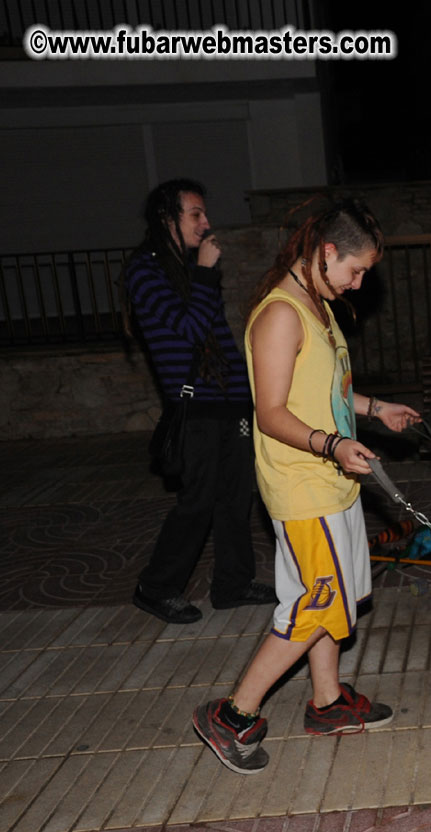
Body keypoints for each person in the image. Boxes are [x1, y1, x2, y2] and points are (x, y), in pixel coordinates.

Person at [192, 200, 421, 773]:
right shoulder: (280, 316)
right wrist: (333, 446)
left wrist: (375, 409)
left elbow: (326, 394)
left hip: (332, 481)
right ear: (326, 253)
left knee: (332, 594)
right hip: (303, 486)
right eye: (356, 270)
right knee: (318, 602)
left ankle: (326, 702)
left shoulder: (319, 306)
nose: (361, 282)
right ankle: (232, 715)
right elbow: (270, 412)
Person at [125, 179, 275, 624]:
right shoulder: (144, 271)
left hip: (229, 404)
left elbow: (217, 339)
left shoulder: (187, 270)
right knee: (199, 501)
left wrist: (248, 397)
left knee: (234, 497)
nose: (206, 223)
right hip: (195, 408)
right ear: (166, 218)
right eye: (195, 214)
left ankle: (232, 584)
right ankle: (155, 587)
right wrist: (207, 273)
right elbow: (189, 333)